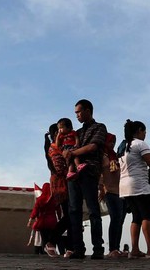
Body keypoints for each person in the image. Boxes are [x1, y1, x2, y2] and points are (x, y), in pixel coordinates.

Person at [64, 99, 107, 260]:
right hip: (74, 173)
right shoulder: (78, 133)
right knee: (74, 211)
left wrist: (73, 153)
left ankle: (98, 248)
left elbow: (93, 146)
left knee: (93, 210)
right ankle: (78, 249)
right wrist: (67, 153)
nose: (77, 115)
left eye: (79, 112)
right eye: (75, 113)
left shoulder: (99, 127)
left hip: (89, 170)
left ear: (88, 111)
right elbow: (68, 148)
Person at [119, 119, 150, 259]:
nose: (145, 134)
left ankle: (134, 249)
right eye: (144, 131)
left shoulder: (124, 147)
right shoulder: (140, 144)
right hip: (139, 184)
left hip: (125, 186)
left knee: (136, 217)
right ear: (139, 130)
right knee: (147, 215)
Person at [99, 132, 125, 258]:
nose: (112, 144)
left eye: (114, 142)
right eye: (110, 141)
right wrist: (101, 189)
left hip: (119, 192)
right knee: (114, 218)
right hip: (108, 191)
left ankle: (116, 247)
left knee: (119, 220)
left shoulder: (115, 156)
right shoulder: (102, 156)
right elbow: (100, 174)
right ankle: (112, 248)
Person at [45, 123, 70, 255]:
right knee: (69, 216)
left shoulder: (57, 148)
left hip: (61, 185)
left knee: (70, 216)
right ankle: (51, 241)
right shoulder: (55, 149)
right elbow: (59, 169)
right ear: (56, 134)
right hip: (62, 186)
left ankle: (70, 248)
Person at [28, 182, 62, 257]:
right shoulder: (54, 200)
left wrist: (30, 220)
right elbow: (58, 210)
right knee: (52, 238)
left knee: (44, 239)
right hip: (52, 222)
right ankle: (53, 251)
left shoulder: (40, 200)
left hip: (42, 222)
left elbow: (35, 211)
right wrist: (59, 218)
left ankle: (46, 254)